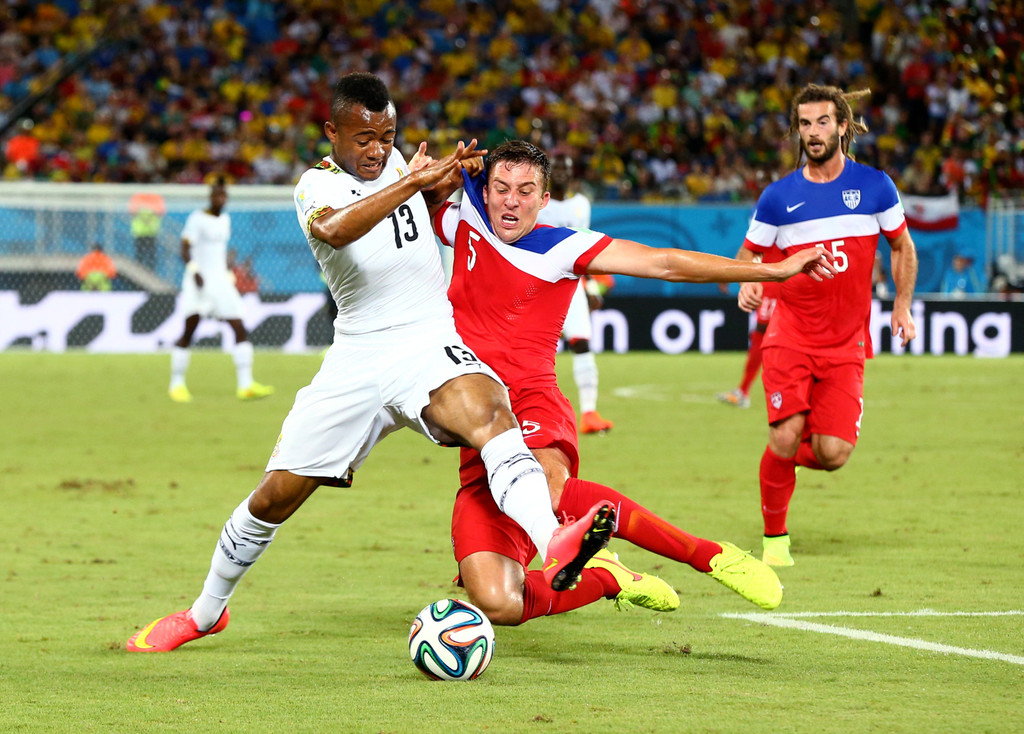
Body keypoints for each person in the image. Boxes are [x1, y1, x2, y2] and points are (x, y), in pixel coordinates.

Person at [127, 74, 614, 653]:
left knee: (490, 413)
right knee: (275, 497)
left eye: (387, 136)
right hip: (357, 355)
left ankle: (553, 540)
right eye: (364, 138)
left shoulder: (399, 165)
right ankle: (206, 612)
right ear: (332, 131)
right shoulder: (316, 186)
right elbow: (334, 231)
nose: (378, 149)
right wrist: (411, 182)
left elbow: (427, 208)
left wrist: (445, 180)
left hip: (427, 339)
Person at [428, 140, 837, 626]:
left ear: (544, 198)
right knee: (498, 603)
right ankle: (610, 578)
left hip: (532, 404)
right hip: (475, 421)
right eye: (501, 188)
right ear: (486, 189)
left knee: (549, 490)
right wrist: (444, 174)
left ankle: (707, 554)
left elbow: (663, 262)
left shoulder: (563, 245)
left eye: (525, 191)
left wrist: (770, 270)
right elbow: (426, 205)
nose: (511, 201)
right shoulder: (465, 215)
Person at [733, 84, 918, 567]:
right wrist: (747, 283)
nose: (812, 133)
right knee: (786, 434)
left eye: (821, 122)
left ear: (842, 126)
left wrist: (902, 305)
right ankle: (776, 541)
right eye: (804, 124)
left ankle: (778, 461)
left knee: (833, 453)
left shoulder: (877, 186)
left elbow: (902, 247)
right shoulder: (778, 197)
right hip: (790, 336)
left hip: (847, 343)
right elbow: (748, 255)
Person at [167, 178, 274, 403]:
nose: (221, 199)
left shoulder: (225, 219)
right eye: (217, 195)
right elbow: (184, 248)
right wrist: (194, 269)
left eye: (224, 196)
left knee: (239, 326)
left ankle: (245, 385)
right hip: (199, 280)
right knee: (190, 330)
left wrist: (228, 268)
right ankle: (176, 384)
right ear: (210, 196)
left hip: (220, 282)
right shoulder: (197, 219)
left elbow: (218, 251)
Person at [536, 153, 614, 434]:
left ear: (572, 172)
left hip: (572, 284)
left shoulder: (581, 205)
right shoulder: (536, 202)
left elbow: (585, 247)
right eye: (556, 167)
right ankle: (533, 413)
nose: (561, 172)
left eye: (565, 167)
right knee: (535, 350)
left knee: (582, 343)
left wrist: (592, 285)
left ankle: (590, 413)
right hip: (540, 285)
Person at [716, 248, 782, 409]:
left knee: (768, 336)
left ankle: (748, 392)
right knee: (762, 336)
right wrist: (730, 274)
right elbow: (748, 248)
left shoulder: (777, 224)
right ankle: (744, 391)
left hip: (780, 281)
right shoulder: (764, 228)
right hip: (770, 281)